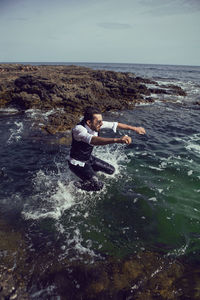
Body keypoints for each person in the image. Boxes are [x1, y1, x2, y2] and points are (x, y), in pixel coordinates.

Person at [68, 107, 146, 191]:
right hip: (77, 164)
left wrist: (135, 128)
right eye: (99, 122)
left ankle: (90, 176)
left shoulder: (96, 124)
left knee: (111, 170)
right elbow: (93, 140)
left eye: (101, 121)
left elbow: (115, 124)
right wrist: (117, 140)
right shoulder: (79, 129)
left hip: (88, 158)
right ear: (89, 122)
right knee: (98, 186)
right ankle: (73, 185)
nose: (101, 124)